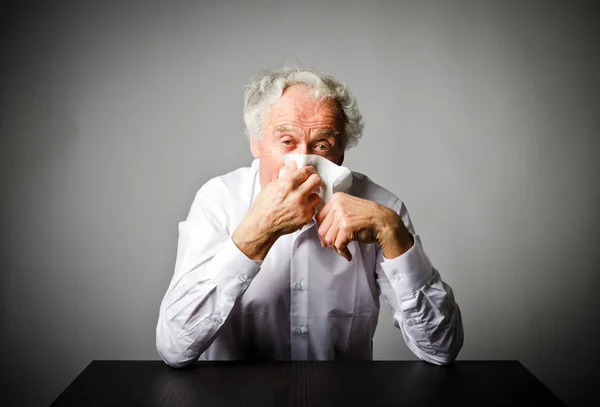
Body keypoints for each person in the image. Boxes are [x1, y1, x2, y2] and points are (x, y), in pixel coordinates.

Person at [156, 66, 463, 366]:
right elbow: (174, 347)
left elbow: (441, 349)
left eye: (321, 145)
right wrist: (257, 233)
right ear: (256, 143)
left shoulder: (381, 209)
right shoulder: (219, 200)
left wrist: (393, 233)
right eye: (287, 141)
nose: (304, 163)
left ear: (341, 153)